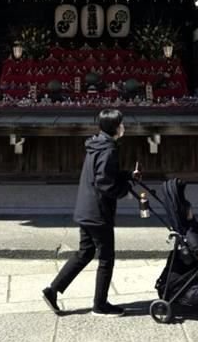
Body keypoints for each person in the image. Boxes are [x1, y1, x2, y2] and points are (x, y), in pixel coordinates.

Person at [42, 108, 139, 317]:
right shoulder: (109, 149)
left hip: (85, 208)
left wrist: (128, 175)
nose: (124, 127)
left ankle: (52, 290)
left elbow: (105, 174)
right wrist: (124, 191)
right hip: (98, 212)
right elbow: (104, 182)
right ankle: (100, 305)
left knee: (84, 252)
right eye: (121, 124)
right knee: (106, 258)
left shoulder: (96, 144)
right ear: (115, 127)